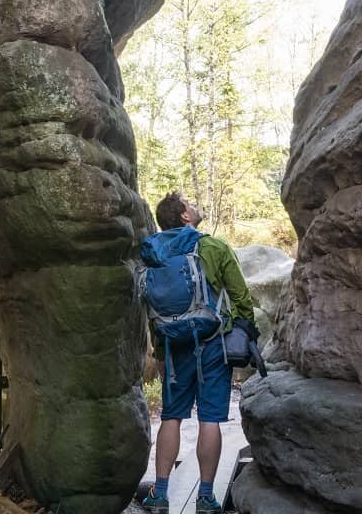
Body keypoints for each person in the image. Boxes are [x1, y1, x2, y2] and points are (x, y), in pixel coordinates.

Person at [140, 192, 258, 514]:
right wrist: (245, 333)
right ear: (184, 217)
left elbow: (153, 309)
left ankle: (160, 494)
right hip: (212, 345)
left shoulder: (153, 252)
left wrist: (161, 352)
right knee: (209, 418)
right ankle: (206, 497)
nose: (194, 205)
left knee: (171, 417)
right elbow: (240, 297)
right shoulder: (213, 247)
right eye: (189, 204)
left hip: (174, 348)